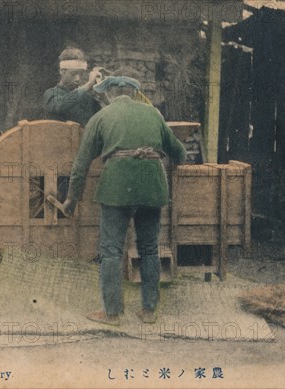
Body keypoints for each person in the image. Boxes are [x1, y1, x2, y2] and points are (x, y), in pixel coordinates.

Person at [62, 75, 186, 325]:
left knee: (111, 251)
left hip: (116, 188)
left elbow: (80, 166)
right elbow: (180, 153)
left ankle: (112, 313)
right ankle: (149, 311)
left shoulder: (101, 117)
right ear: (133, 93)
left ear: (108, 94)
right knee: (150, 248)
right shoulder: (154, 115)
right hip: (152, 187)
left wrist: (71, 201)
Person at [43, 47, 102, 127]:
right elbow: (60, 106)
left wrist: (103, 94)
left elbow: (102, 119)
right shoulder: (50, 93)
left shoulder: (87, 97)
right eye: (73, 74)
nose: (78, 79)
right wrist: (89, 84)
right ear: (62, 71)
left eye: (81, 74)